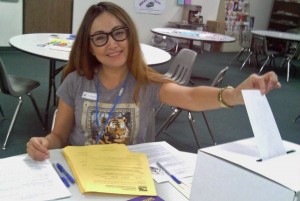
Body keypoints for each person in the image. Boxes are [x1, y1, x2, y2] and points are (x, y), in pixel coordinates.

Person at [27, 2, 281, 161]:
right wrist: (44, 143)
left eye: (118, 33)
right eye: (100, 38)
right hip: (82, 172)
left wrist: (235, 95)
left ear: (129, 35)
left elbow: (190, 97)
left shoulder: (145, 83)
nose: (112, 43)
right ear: (90, 47)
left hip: (132, 175)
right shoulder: (75, 82)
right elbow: (59, 135)